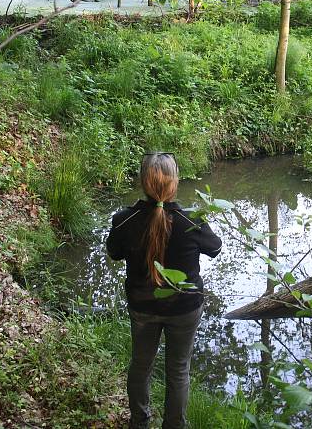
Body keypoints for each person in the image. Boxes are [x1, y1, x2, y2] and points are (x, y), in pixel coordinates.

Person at [106, 152, 222, 429]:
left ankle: (140, 422)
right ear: (175, 183)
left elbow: (113, 252)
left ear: (143, 183)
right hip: (184, 307)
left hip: (142, 307)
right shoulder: (191, 220)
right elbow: (215, 247)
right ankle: (174, 425)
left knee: (140, 365)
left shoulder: (124, 219)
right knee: (179, 371)